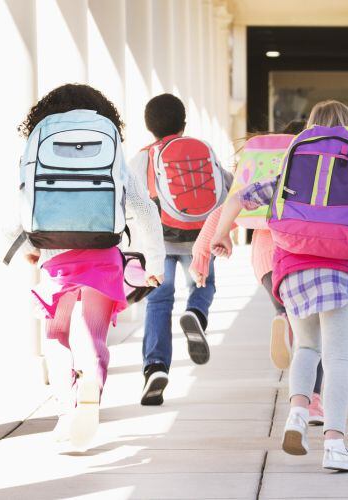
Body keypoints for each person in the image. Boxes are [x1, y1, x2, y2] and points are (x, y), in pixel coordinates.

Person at [208, 101, 348, 472]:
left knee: (306, 347)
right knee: (337, 356)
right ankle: (335, 445)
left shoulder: (294, 162)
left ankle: (296, 414)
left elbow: (241, 197)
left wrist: (222, 235)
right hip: (342, 266)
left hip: (292, 267)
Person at [10, 84, 166, 450]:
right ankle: (92, 379)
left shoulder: (40, 141)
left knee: (56, 335)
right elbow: (143, 208)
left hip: (56, 254)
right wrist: (154, 260)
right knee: (93, 334)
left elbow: (21, 202)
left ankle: (68, 409)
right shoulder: (109, 143)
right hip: (102, 254)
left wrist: (25, 247)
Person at [191, 120, 327, 425]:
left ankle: (281, 314)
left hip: (267, 258)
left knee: (287, 308)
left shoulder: (262, 170)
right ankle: (315, 402)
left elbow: (223, 211)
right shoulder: (311, 168)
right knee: (313, 333)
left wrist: (202, 257)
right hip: (303, 252)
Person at [134, 93, 232, 406]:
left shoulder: (143, 157)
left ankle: (156, 367)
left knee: (159, 299)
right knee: (204, 283)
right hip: (200, 233)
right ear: (184, 122)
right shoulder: (203, 150)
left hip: (160, 237)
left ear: (149, 127)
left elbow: (130, 199)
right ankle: (196, 313)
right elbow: (227, 186)